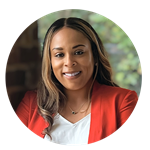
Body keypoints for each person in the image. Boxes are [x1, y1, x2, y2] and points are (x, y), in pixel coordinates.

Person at [15, 17, 138, 146]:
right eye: (59, 55)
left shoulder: (122, 102)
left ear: (95, 56)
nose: (69, 62)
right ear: (50, 62)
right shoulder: (31, 104)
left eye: (79, 52)